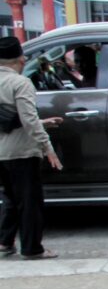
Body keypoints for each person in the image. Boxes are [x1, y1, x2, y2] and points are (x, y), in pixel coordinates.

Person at [0, 36, 64, 260]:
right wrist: (48, 148)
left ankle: (5, 242)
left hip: (2, 154)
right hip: (22, 152)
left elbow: (11, 119)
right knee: (29, 202)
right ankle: (32, 248)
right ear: (21, 59)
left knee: (10, 198)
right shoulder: (20, 83)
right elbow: (28, 119)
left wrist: (42, 123)